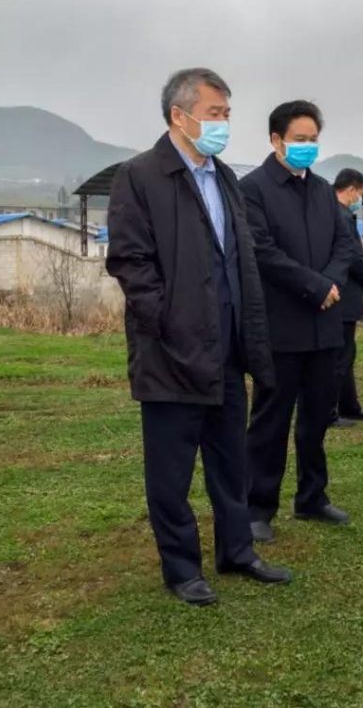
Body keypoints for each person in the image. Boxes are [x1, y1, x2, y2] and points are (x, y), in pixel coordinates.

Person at [106, 67, 290, 605]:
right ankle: (182, 568)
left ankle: (237, 551)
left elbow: (240, 260)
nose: (223, 123)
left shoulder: (225, 177)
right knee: (171, 472)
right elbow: (130, 261)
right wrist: (165, 321)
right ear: (178, 115)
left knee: (231, 462)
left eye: (227, 113)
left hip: (227, 349)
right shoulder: (140, 176)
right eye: (214, 113)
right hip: (170, 354)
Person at [242, 100, 357, 542]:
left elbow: (345, 246)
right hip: (281, 326)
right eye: (299, 139)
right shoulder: (253, 190)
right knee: (270, 421)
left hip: (324, 326)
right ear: (276, 140)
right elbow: (262, 251)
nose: (307, 146)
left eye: (313, 140)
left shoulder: (323, 191)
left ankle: (312, 496)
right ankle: (258, 506)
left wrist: (330, 284)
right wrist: (314, 286)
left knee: (316, 418)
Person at [331, 168, 363, 427]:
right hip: (344, 295)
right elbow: (352, 256)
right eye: (361, 193)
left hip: (343, 296)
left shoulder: (331, 212)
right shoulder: (341, 216)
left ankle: (349, 405)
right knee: (339, 358)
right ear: (351, 190)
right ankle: (331, 410)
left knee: (347, 354)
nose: (361, 198)